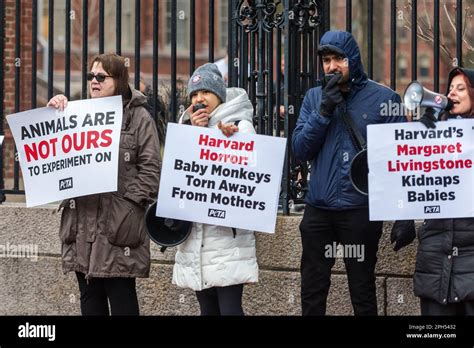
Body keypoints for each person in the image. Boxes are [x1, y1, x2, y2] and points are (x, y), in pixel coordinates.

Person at [292, 30, 406, 316]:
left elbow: (400, 161)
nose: (331, 67)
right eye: (326, 60)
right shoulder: (313, 97)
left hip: (359, 210)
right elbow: (299, 149)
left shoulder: (384, 98)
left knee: (362, 290)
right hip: (319, 209)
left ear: (352, 59)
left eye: (338, 59)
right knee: (312, 289)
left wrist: (403, 214)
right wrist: (323, 112)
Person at [47, 53, 161, 316]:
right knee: (89, 298)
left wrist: (128, 205)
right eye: (90, 76)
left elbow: (152, 169)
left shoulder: (139, 118)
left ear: (119, 81)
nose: (94, 81)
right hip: (82, 224)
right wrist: (54, 111)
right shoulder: (77, 114)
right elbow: (55, 156)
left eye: (101, 76)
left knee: (121, 298)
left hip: (118, 227)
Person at [172, 63, 258, 315]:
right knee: (207, 309)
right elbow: (178, 177)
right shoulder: (186, 129)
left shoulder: (239, 127)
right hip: (196, 238)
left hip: (226, 240)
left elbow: (248, 177)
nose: (199, 99)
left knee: (230, 309)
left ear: (219, 95)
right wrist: (194, 133)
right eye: (194, 95)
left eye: (205, 93)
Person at [392, 67, 474, 315]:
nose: (452, 93)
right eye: (450, 89)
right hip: (435, 260)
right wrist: (423, 135)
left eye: (461, 88)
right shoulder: (435, 133)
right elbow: (411, 178)